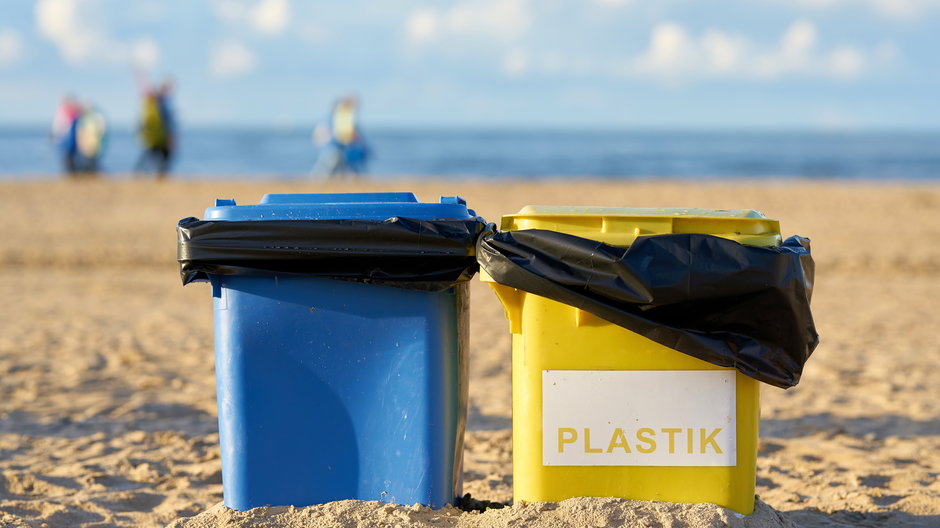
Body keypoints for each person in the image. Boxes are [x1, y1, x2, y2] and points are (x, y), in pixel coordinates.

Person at [312, 95, 370, 178]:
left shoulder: (338, 116)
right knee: (328, 170)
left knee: (333, 170)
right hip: (335, 148)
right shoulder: (339, 116)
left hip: (339, 148)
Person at [135, 76, 176, 178]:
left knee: (157, 157)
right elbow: (165, 122)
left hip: (159, 136)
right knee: (151, 157)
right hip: (156, 137)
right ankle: (142, 173)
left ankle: (157, 174)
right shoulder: (156, 102)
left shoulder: (161, 102)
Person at [50, 95, 81, 173]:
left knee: (69, 158)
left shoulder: (67, 112)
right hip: (66, 139)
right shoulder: (67, 112)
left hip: (67, 140)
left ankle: (71, 172)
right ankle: (70, 172)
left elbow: (58, 126)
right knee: (68, 158)